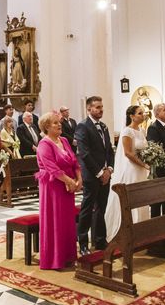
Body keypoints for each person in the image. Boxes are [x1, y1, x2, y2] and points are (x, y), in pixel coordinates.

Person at [36, 111, 82, 270]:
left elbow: (74, 161)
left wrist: (79, 179)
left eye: (59, 122)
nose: (59, 124)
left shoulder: (63, 140)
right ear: (47, 127)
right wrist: (70, 181)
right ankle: (54, 259)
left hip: (67, 187)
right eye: (55, 123)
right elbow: (51, 167)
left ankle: (68, 256)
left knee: (67, 222)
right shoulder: (44, 144)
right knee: (55, 221)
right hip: (53, 187)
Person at [104, 106, 151, 242]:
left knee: (142, 197)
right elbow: (128, 153)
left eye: (143, 113)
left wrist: (149, 160)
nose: (143, 116)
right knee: (131, 198)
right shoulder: (127, 131)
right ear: (131, 116)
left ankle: (141, 228)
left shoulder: (141, 130)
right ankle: (128, 229)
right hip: (132, 168)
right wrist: (142, 164)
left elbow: (144, 150)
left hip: (141, 169)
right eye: (140, 113)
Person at [76, 96, 114, 255]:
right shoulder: (83, 126)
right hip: (92, 175)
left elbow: (109, 150)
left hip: (105, 174)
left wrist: (109, 169)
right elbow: (84, 154)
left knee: (101, 208)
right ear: (89, 109)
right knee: (87, 208)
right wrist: (99, 173)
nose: (101, 110)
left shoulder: (104, 126)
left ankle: (100, 240)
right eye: (97, 107)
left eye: (102, 107)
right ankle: (83, 243)